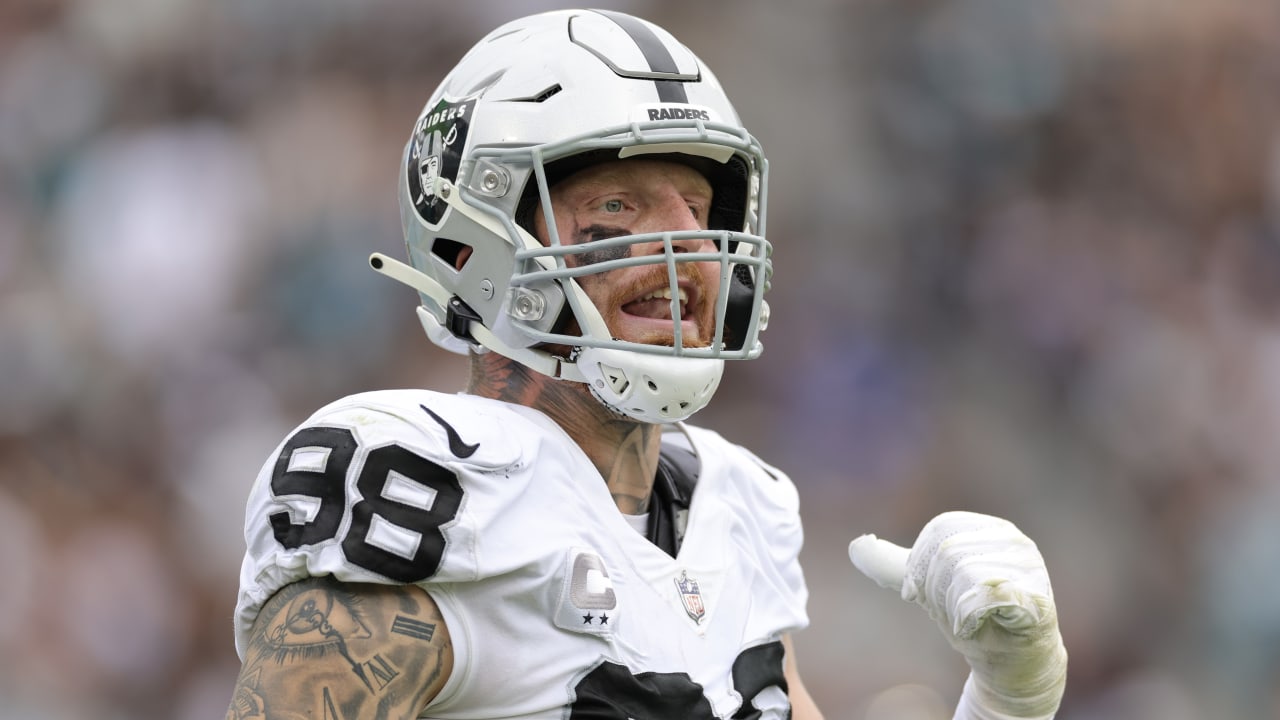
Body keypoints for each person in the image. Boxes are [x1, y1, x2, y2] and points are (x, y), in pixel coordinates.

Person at [225, 9, 1067, 720]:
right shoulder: (420, 488)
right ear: (476, 238)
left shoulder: (732, 503)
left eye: (698, 209)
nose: (690, 248)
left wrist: (1006, 696)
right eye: (619, 208)